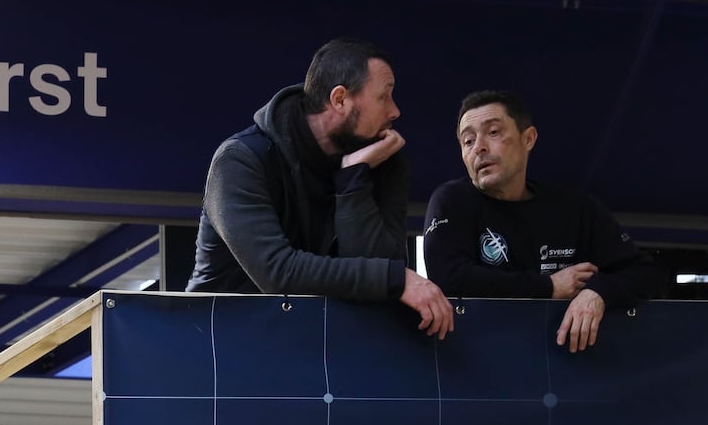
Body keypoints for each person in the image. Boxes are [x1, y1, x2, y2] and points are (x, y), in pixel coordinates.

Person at [187, 37, 454, 340]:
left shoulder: (384, 163)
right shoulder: (241, 160)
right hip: (219, 350)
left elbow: (383, 265)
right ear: (339, 99)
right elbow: (278, 273)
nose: (395, 111)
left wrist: (353, 181)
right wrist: (395, 279)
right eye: (384, 97)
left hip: (319, 350)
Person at [424, 90, 665, 352]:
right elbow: (448, 278)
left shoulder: (577, 209)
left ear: (528, 139)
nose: (479, 147)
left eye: (493, 132)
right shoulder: (452, 200)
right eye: (468, 141)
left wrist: (598, 293)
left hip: (569, 362)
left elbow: (646, 274)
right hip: (479, 363)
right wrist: (549, 286)